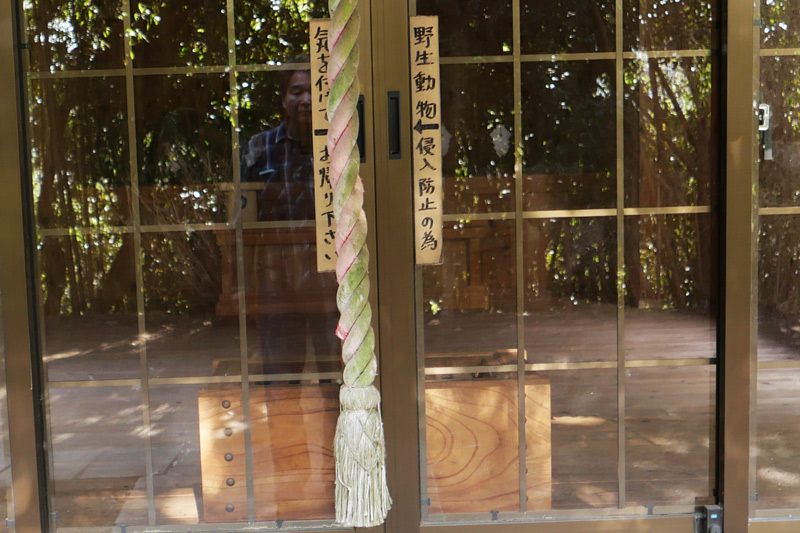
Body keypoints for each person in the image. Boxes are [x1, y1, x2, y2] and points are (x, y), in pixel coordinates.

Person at [240, 58, 338, 375]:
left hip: (329, 284)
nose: (306, 100)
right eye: (296, 91)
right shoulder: (260, 147)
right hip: (276, 284)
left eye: (314, 91)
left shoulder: (339, 146)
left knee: (335, 377)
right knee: (280, 378)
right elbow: (243, 218)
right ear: (283, 99)